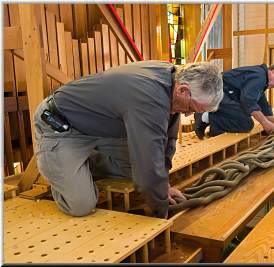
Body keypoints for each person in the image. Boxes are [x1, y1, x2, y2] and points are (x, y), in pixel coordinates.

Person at [33, 60, 224, 219]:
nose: (189, 114)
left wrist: (163, 185)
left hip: (101, 128)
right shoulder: (149, 97)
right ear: (183, 90)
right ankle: (59, 169)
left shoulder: (172, 80)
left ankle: (77, 166)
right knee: (81, 205)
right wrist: (162, 213)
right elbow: (148, 167)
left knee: (137, 171)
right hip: (61, 127)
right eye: (191, 108)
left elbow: (167, 141)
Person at [194, 61, 274, 139]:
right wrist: (265, 123)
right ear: (273, 71)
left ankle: (213, 124)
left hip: (223, 94)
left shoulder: (262, 80)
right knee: (246, 123)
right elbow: (248, 101)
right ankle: (206, 116)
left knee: (245, 118)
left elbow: (264, 106)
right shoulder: (260, 76)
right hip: (216, 92)